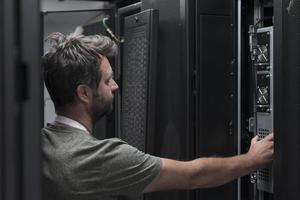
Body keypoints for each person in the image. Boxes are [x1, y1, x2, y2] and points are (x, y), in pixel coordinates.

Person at [41, 29, 274, 200]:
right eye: (107, 80)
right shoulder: (98, 158)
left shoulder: (39, 145)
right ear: (84, 93)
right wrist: (252, 160)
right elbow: (193, 175)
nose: (115, 86)